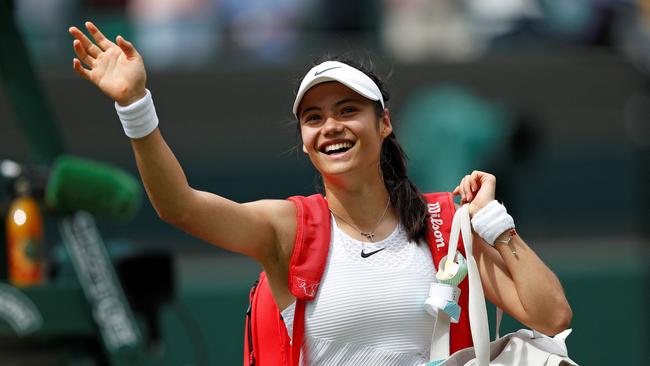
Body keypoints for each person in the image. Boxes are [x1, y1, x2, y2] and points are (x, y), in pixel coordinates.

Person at [68, 21, 572, 365]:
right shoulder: (288, 230)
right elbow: (178, 205)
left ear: (385, 123)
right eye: (313, 118)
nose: (330, 127)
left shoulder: (448, 224)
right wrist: (136, 106)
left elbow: (551, 317)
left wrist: (492, 223)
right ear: (306, 144)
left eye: (347, 110)